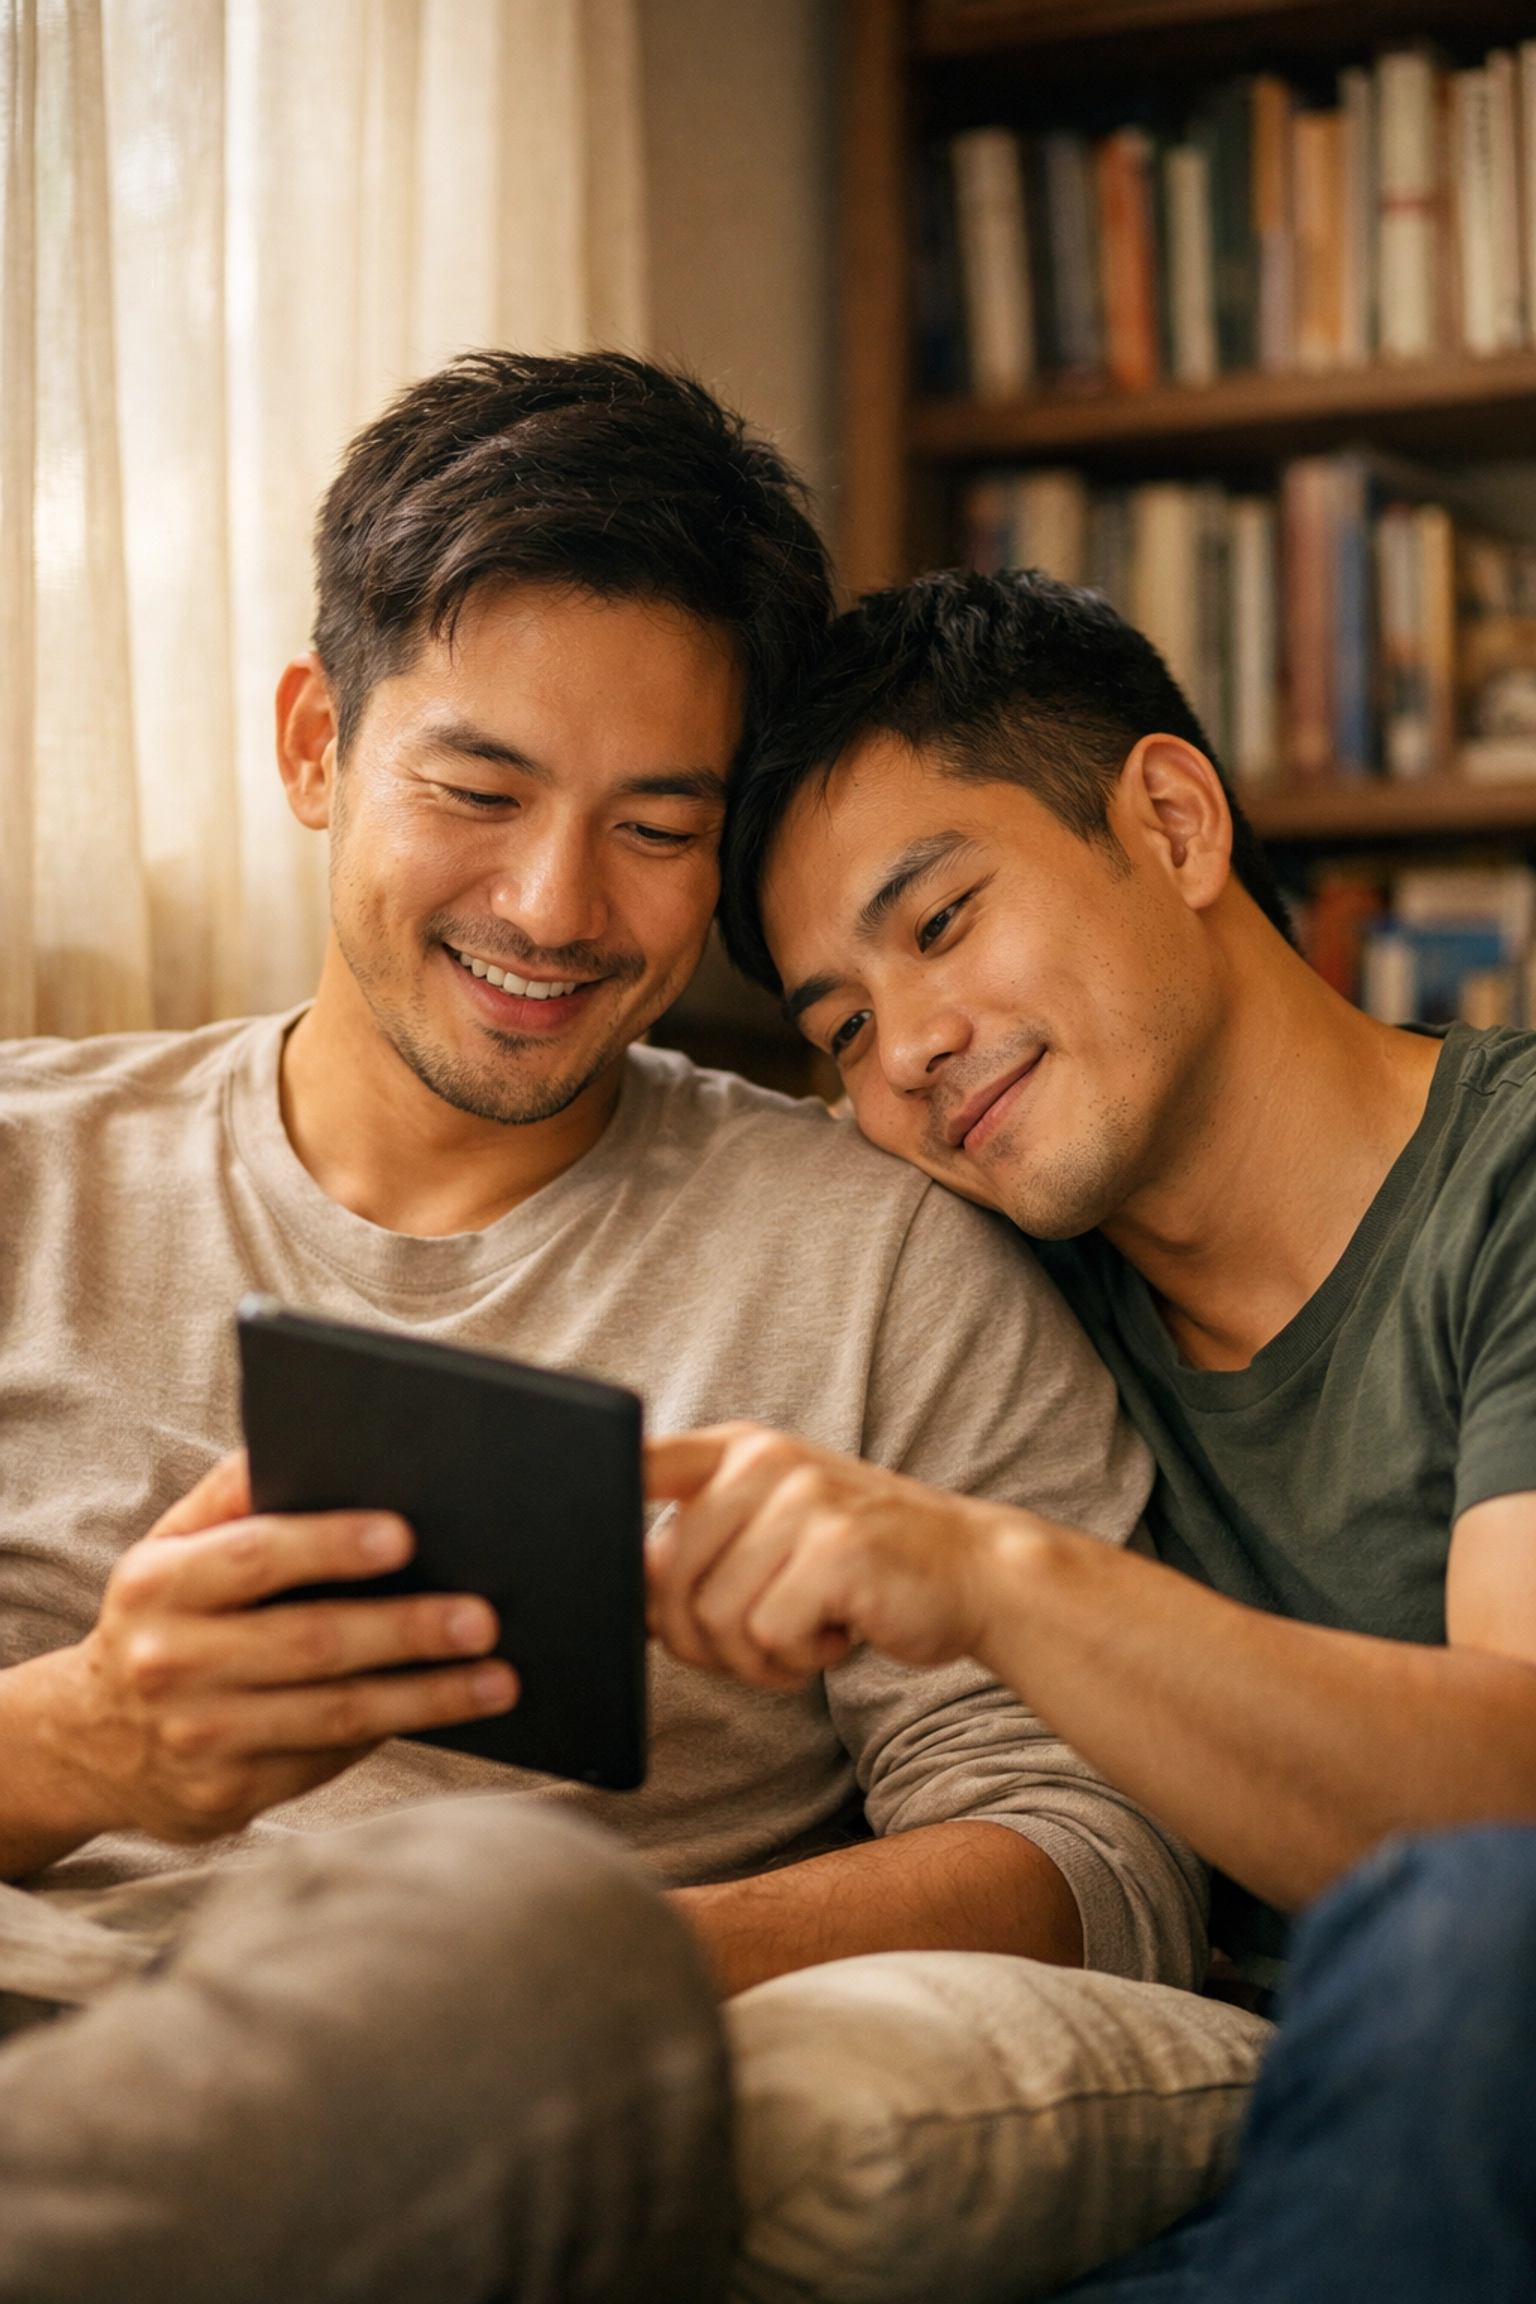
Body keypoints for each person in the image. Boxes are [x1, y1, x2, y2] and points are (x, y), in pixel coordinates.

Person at [0, 368, 1252, 2303]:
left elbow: (1101, 1848)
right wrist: (82, 1742)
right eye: (479, 793)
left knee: (507, 1921)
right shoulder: (28, 1174)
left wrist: (632, 1957)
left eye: (658, 827)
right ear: (317, 741)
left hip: (489, 2074)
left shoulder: (883, 1255)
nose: (554, 906)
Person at [668, 565, 1536, 2300]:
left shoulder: (1506, 1186)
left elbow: (1517, 1801)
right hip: (1166, 2164)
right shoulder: (974, 1298)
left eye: (938, 925)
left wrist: (991, 1574)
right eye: (838, 1028)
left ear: (1171, 819)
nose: (905, 1051)